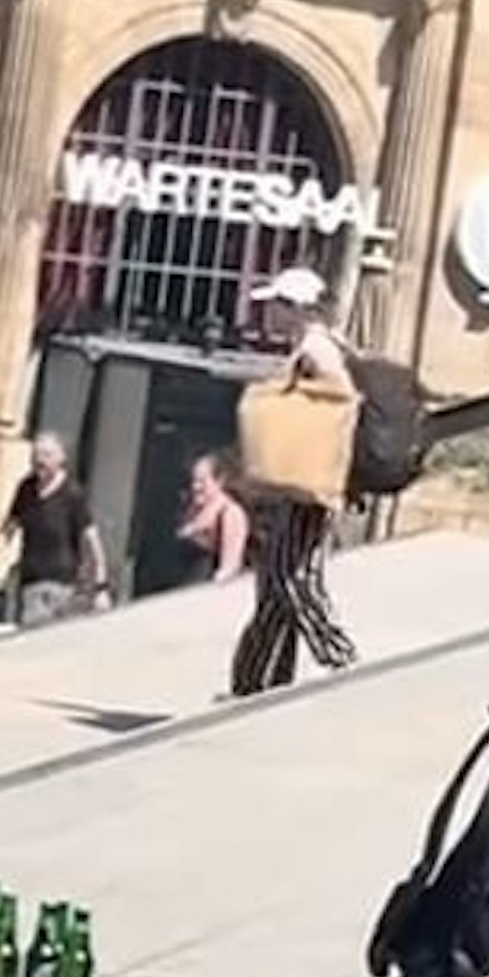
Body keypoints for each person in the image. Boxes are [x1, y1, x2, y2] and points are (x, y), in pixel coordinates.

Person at [230, 265, 360, 697]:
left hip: (310, 482)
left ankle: (340, 657)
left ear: (295, 308)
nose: (270, 315)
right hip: (302, 483)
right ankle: (252, 681)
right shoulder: (316, 345)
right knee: (275, 583)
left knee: (292, 574)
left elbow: (342, 398)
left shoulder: (316, 350)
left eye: (276, 306)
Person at [1, 432, 110, 627]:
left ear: (61, 459)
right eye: (36, 455)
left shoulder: (72, 495)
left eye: (46, 455)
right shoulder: (26, 489)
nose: (39, 461)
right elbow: (11, 525)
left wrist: (100, 586)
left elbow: (91, 541)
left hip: (63, 583)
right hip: (31, 580)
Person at [176, 450, 249, 586]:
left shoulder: (230, 513)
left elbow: (230, 567)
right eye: (193, 481)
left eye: (202, 481)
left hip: (206, 591)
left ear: (220, 481)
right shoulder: (192, 510)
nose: (195, 487)